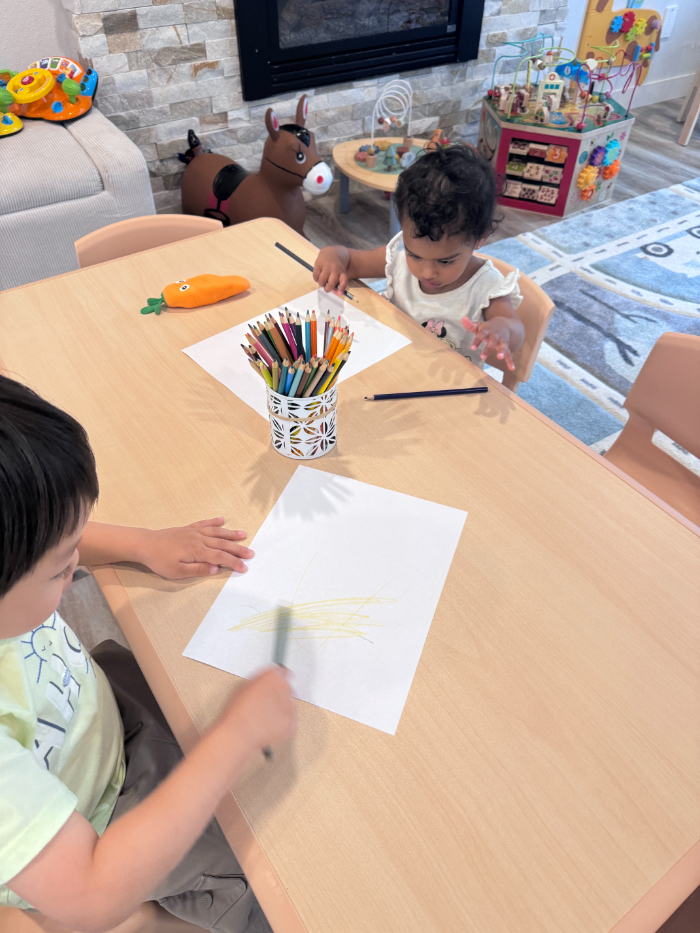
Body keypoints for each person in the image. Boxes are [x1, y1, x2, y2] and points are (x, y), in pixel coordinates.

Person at [0, 375, 295, 933]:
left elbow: (44, 534)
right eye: (63, 568)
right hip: (97, 830)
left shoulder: (16, 559)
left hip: (94, 726)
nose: (74, 572)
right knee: (271, 872)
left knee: (186, 680)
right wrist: (236, 737)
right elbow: (90, 894)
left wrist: (142, 543)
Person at [314, 145, 525, 370]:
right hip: (390, 364)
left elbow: (515, 330)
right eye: (414, 255)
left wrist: (501, 329)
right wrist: (332, 256)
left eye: (445, 261)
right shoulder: (400, 259)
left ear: (479, 239)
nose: (426, 272)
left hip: (443, 387)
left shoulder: (487, 287)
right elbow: (349, 260)